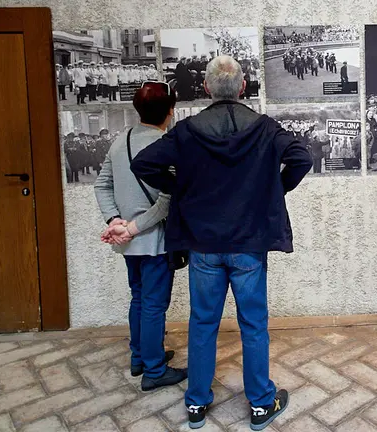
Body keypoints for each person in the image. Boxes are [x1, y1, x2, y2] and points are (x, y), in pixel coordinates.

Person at [130, 55, 312, 431]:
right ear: (243, 87)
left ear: (208, 88)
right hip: (248, 244)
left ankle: (196, 404)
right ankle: (261, 405)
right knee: (253, 324)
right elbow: (302, 157)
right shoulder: (263, 127)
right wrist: (275, 189)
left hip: (205, 246)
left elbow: (144, 164)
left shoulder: (188, 129)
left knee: (202, 323)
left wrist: (182, 191)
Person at [93, 82, 186, 391]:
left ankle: (141, 357)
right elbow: (167, 201)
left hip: (127, 242)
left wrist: (114, 220)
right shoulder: (167, 145)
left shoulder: (121, 141)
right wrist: (132, 227)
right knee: (154, 305)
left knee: (139, 298)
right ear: (171, 111)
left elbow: (101, 185)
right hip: (153, 241)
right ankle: (155, 370)